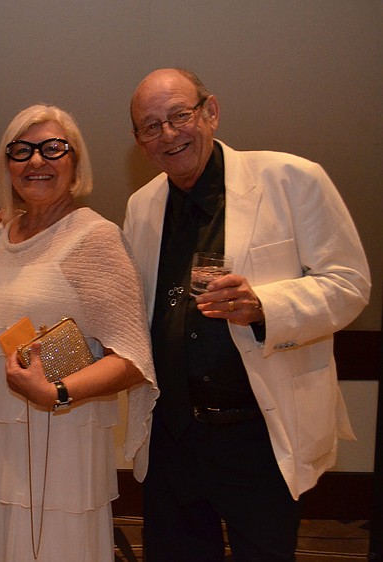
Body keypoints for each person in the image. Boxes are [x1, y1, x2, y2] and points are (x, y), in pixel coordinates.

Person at [124, 68, 371, 561]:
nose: (168, 134)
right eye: (151, 126)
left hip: (257, 436)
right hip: (171, 437)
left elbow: (350, 284)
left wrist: (264, 307)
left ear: (211, 112)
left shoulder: (292, 179)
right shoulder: (141, 206)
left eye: (179, 115)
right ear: (140, 142)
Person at [0, 104, 159, 561]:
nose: (36, 160)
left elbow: (133, 361)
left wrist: (55, 392)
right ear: (7, 164)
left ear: (76, 163)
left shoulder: (94, 239)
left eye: (53, 148)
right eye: (22, 150)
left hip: (58, 440)